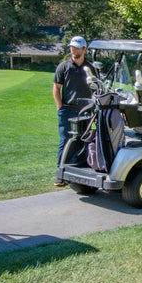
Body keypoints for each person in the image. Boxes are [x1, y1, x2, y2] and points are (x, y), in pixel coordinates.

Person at [52, 35, 95, 185]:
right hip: (67, 110)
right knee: (65, 140)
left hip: (85, 111)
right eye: (72, 47)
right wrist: (60, 107)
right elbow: (56, 88)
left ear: (84, 49)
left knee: (83, 141)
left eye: (77, 47)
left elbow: (95, 89)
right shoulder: (63, 67)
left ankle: (78, 171)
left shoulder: (90, 68)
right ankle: (60, 173)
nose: (73, 49)